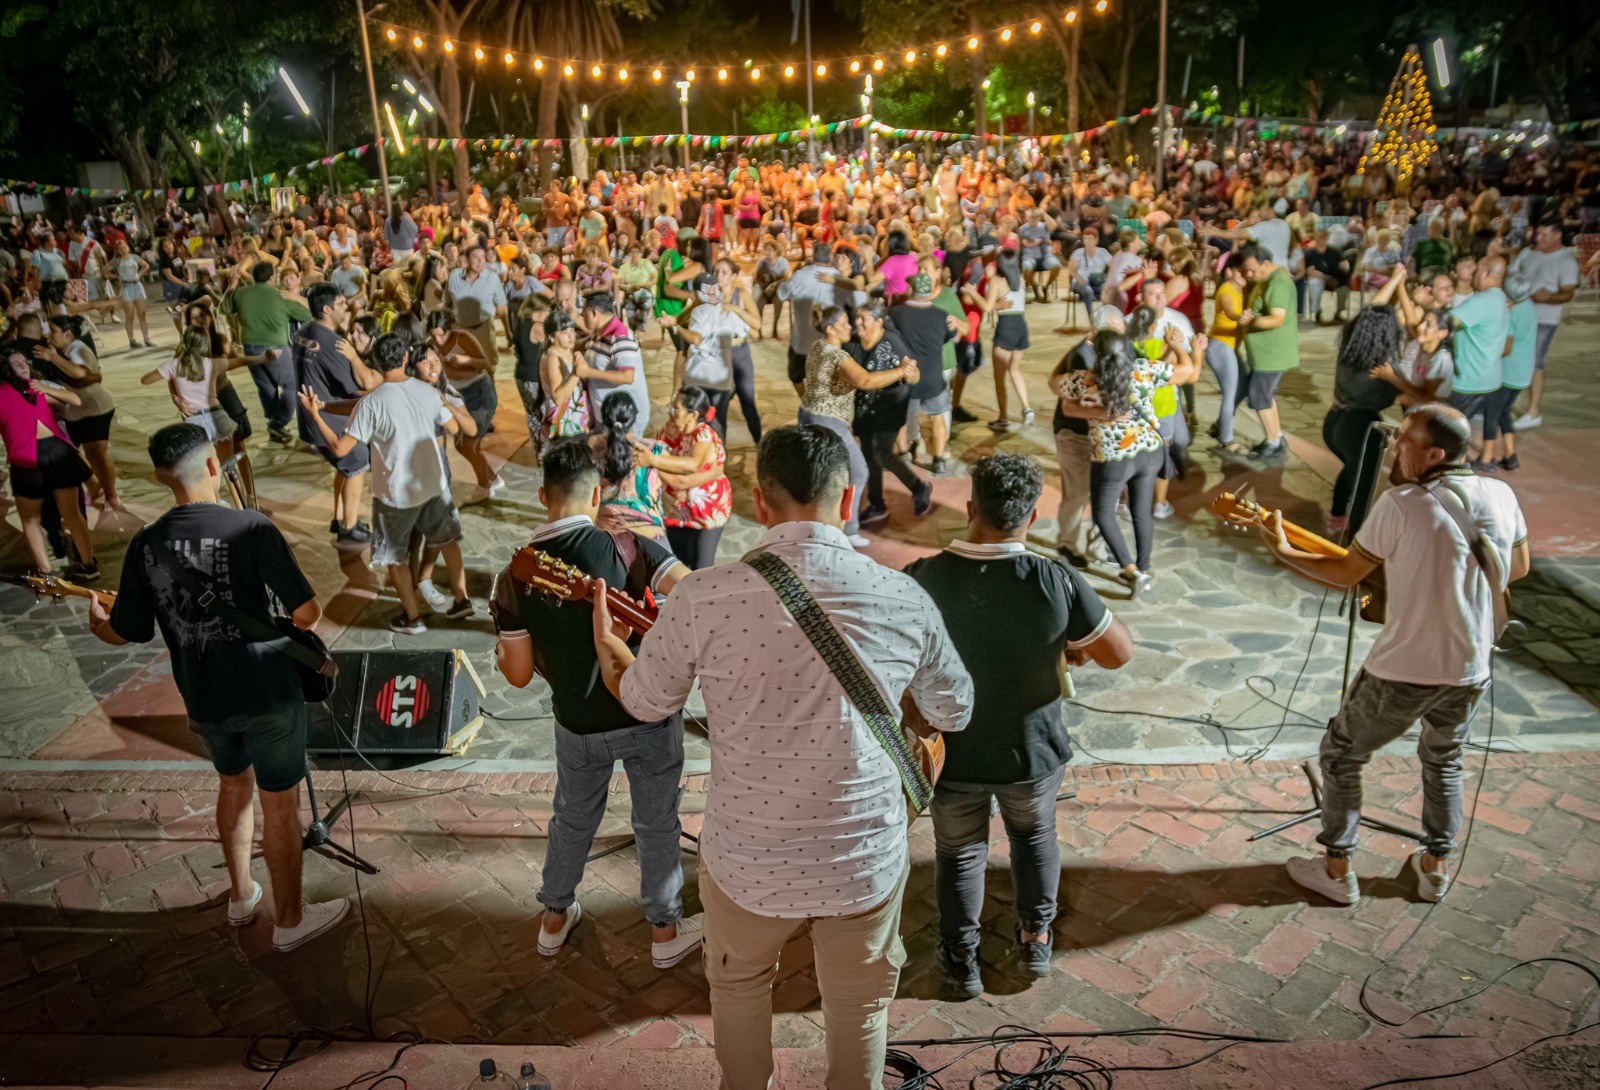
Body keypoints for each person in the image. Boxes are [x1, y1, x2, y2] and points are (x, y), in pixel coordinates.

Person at [589, 424, 974, 1090]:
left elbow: (647, 701)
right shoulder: (904, 597)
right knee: (859, 1007)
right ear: (848, 495)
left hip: (748, 859)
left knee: (738, 990)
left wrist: (614, 655)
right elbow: (955, 711)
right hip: (862, 857)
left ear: (758, 503)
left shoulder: (703, 596)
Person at [87, 422, 349, 950]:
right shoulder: (251, 528)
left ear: (164, 478)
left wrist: (97, 622)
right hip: (266, 692)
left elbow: (126, 632)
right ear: (213, 465)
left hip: (203, 694)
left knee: (233, 785)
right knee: (280, 804)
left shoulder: (146, 543)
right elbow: (306, 613)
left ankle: (240, 895)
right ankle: (291, 922)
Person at [1264, 405, 1529, 906]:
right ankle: (1434, 868)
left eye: (1403, 440)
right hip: (1471, 665)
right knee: (1445, 759)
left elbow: (1347, 574)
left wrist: (1282, 549)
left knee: (1342, 755)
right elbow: (1517, 569)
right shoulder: (1502, 493)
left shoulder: (1401, 503)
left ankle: (1336, 869)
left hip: (1403, 668)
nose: (1391, 447)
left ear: (1434, 454)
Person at [906, 453, 1131, 995]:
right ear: (1031, 517)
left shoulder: (921, 578)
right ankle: (1035, 941)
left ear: (970, 508)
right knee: (1034, 839)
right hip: (1031, 755)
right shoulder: (1055, 580)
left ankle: (961, 961)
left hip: (951, 754)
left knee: (959, 854)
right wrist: (1065, 645)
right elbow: (1118, 652)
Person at [491, 437, 701, 968]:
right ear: (597, 494)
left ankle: (555, 918)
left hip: (577, 724)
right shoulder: (628, 547)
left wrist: (502, 653)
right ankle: (664, 931)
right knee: (656, 822)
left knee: (573, 818)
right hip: (646, 710)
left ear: (543, 495)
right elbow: (695, 593)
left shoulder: (515, 574)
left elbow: (517, 676)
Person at [300, 332, 473, 634]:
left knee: (396, 558)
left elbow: (340, 448)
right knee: (447, 540)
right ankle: (462, 600)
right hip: (433, 486)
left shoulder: (372, 403)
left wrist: (316, 414)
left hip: (394, 494)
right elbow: (453, 426)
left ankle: (413, 618)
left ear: (376, 364)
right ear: (406, 358)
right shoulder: (427, 391)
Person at [1057, 327, 1199, 595]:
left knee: (1102, 513)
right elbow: (1187, 370)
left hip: (1113, 458)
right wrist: (1177, 346)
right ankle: (1144, 568)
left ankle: (1130, 569)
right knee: (1141, 512)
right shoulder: (1143, 370)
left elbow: (1055, 385)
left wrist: (1077, 347)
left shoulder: (1086, 378)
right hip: (1149, 452)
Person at [0, 343, 97, 578]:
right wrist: (46, 389)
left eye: (25, 362)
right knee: (72, 513)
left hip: (27, 460)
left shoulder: (26, 389)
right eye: (19, 364)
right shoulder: (34, 389)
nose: (25, 366)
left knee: (31, 520)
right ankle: (89, 566)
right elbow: (71, 402)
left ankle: (46, 573)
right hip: (58, 453)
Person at [293, 283, 379, 543]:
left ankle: (337, 517)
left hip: (310, 418)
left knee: (344, 467)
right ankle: (349, 527)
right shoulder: (334, 343)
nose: (347, 307)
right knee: (358, 459)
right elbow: (359, 388)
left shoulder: (304, 332)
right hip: (328, 419)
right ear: (327, 309)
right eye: (342, 304)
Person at [1321, 305, 1402, 537]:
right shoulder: (1381, 363)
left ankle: (1337, 518)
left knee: (1351, 471)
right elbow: (1392, 396)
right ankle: (1358, 539)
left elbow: (1372, 311)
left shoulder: (1351, 347)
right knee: (1362, 490)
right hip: (1361, 428)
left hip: (1335, 421)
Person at [849, 300, 931, 523]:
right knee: (869, 454)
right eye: (857, 318)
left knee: (882, 452)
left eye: (863, 319)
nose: (858, 323)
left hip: (890, 407)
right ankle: (877, 503)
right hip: (864, 409)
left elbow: (915, 374)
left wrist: (910, 373)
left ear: (877, 322)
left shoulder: (892, 342)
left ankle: (918, 487)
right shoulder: (853, 343)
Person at [634, 386, 732, 570]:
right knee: (678, 565)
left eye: (676, 409)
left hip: (706, 513)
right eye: (670, 407)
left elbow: (689, 469)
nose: (671, 413)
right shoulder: (669, 428)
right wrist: (656, 462)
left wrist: (653, 461)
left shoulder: (704, 435)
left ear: (692, 415)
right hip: (675, 510)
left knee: (700, 568)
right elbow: (666, 461)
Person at [28, 315, 119, 510]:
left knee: (97, 454)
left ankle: (111, 496)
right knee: (75, 454)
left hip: (95, 409)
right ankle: (95, 489)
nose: (48, 335)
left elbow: (81, 373)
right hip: (74, 412)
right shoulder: (62, 349)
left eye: (53, 331)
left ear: (67, 334)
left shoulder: (77, 348)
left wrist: (53, 358)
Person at [223, 262, 312, 444]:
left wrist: (232, 285)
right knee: (291, 384)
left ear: (254, 276)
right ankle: (279, 422)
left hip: (250, 347)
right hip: (276, 347)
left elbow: (223, 309)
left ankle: (273, 423)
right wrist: (296, 299)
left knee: (266, 387)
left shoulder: (241, 293)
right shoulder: (280, 295)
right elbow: (309, 315)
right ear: (272, 277)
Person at [889, 269, 961, 475]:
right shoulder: (941, 315)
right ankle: (939, 459)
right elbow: (952, 336)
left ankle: (903, 454)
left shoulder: (896, 313)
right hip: (932, 377)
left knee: (899, 417)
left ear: (911, 290)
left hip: (906, 375)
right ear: (930, 293)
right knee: (937, 417)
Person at [1508, 224, 1580, 429]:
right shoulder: (1527, 253)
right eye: (1537, 232)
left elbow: (1568, 293)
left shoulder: (1566, 260)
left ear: (1557, 235)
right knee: (1511, 358)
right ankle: (1506, 405)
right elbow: (1509, 274)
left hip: (1545, 319)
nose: (1537, 237)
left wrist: (1549, 297)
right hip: (1519, 316)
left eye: (1543, 233)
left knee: (1535, 364)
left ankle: (1533, 411)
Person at [1234, 240, 1299, 461]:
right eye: (1246, 270)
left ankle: (1274, 442)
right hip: (1266, 354)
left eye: (1252, 269)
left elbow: (1276, 319)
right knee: (1263, 396)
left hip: (1272, 355)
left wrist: (1251, 320)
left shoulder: (1278, 283)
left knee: (1259, 396)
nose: (1249, 274)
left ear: (1266, 263)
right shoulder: (1267, 277)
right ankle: (1275, 437)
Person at [1446, 255, 1510, 472]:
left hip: (1471, 380)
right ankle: (1486, 460)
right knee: (1489, 422)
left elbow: (1447, 322)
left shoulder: (1481, 301)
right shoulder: (1500, 297)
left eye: (1475, 272)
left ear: (1484, 273)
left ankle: (1456, 466)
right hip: (1492, 376)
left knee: (1453, 427)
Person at [776, 242, 864, 396]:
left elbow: (781, 294)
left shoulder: (800, 276)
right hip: (830, 342)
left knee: (796, 376)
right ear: (830, 257)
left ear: (813, 256)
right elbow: (859, 300)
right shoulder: (839, 279)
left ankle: (806, 400)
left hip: (802, 342)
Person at [590, 396, 667, 542]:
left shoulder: (591, 448)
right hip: (650, 535)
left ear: (604, 418)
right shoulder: (655, 449)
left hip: (607, 537)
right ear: (634, 418)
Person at [579, 291, 648, 437]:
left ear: (594, 313)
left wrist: (588, 372)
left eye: (583, 312)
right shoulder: (597, 333)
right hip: (604, 413)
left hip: (623, 418)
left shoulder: (621, 336)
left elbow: (627, 376)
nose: (581, 316)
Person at [985, 247, 1035, 431]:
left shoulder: (997, 281)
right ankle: (1027, 409)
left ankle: (1003, 418)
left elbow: (988, 307)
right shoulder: (1020, 279)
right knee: (1015, 369)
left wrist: (981, 286)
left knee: (999, 377)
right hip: (1021, 326)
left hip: (1006, 328)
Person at [1494, 273, 1537, 473]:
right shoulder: (1529, 306)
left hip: (1509, 372)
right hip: (1524, 370)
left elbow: (1506, 349)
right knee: (1503, 411)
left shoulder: (1512, 315)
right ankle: (1509, 454)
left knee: (1498, 412)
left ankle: (1508, 455)